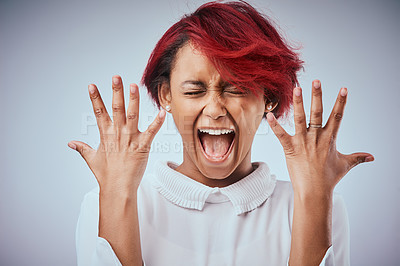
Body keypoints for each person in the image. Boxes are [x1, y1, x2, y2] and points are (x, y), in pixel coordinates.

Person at [68, 1, 374, 265]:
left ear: (268, 98)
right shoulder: (103, 203)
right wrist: (119, 194)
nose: (214, 109)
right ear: (166, 96)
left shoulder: (317, 204)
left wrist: (314, 197)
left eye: (237, 89)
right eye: (194, 90)